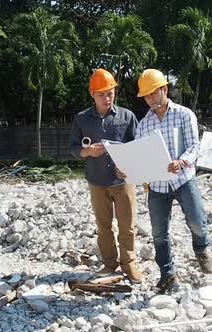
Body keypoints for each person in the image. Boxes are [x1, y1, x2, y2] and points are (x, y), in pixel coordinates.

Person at [125, 68, 212, 293]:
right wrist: (129, 169)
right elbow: (139, 154)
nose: (149, 99)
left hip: (183, 179)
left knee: (196, 221)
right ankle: (167, 274)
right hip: (157, 185)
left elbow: (194, 145)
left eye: (153, 93)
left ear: (164, 90)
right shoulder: (144, 124)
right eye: (146, 96)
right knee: (158, 232)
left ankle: (201, 249)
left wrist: (181, 161)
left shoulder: (184, 114)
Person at [70, 68, 142, 283]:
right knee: (104, 227)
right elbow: (74, 148)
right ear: (92, 94)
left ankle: (129, 265)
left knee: (127, 226)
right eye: (102, 94)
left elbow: (138, 147)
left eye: (110, 93)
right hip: (97, 181)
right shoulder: (82, 119)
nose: (107, 98)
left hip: (123, 182)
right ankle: (109, 264)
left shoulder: (126, 117)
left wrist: (130, 166)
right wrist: (87, 152)